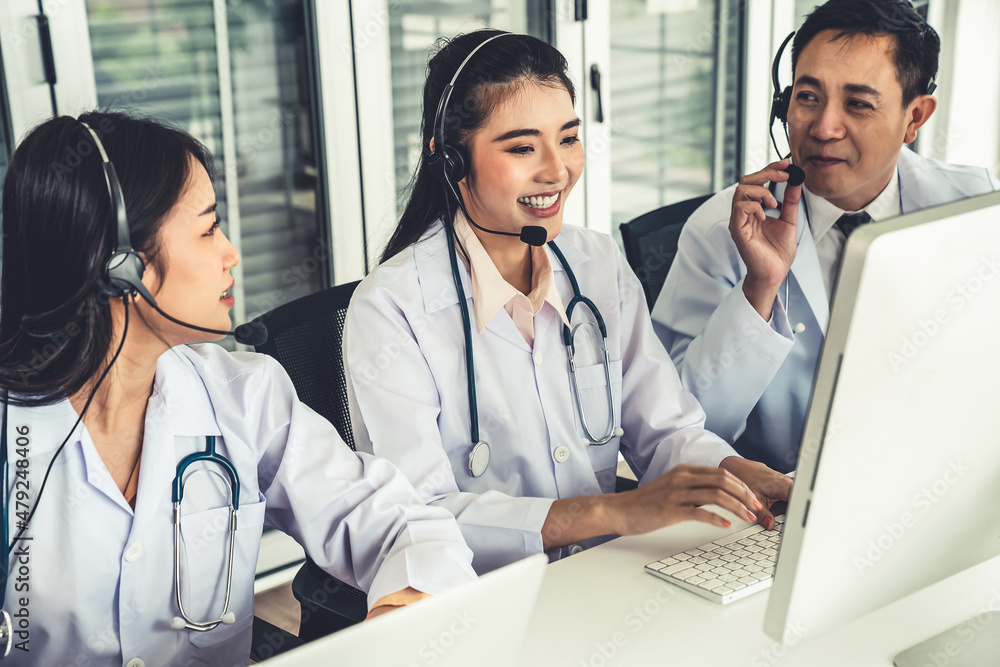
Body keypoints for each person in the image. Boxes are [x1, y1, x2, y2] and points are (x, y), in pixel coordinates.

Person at [0, 112, 476, 666]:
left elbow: (399, 522)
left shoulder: (243, 395)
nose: (232, 253)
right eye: (207, 228)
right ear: (120, 266)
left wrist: (392, 623)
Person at [343, 30, 791, 576]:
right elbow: (421, 516)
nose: (557, 170)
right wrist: (614, 510)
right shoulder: (391, 310)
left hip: (600, 574)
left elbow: (666, 433)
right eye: (522, 147)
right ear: (452, 161)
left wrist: (741, 472)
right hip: (479, 603)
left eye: (569, 139)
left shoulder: (597, 264)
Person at [651, 0, 998, 473]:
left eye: (857, 104)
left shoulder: (975, 210)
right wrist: (759, 290)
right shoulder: (719, 232)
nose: (823, 128)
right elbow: (676, 435)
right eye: (808, 97)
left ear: (915, 118)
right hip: (771, 514)